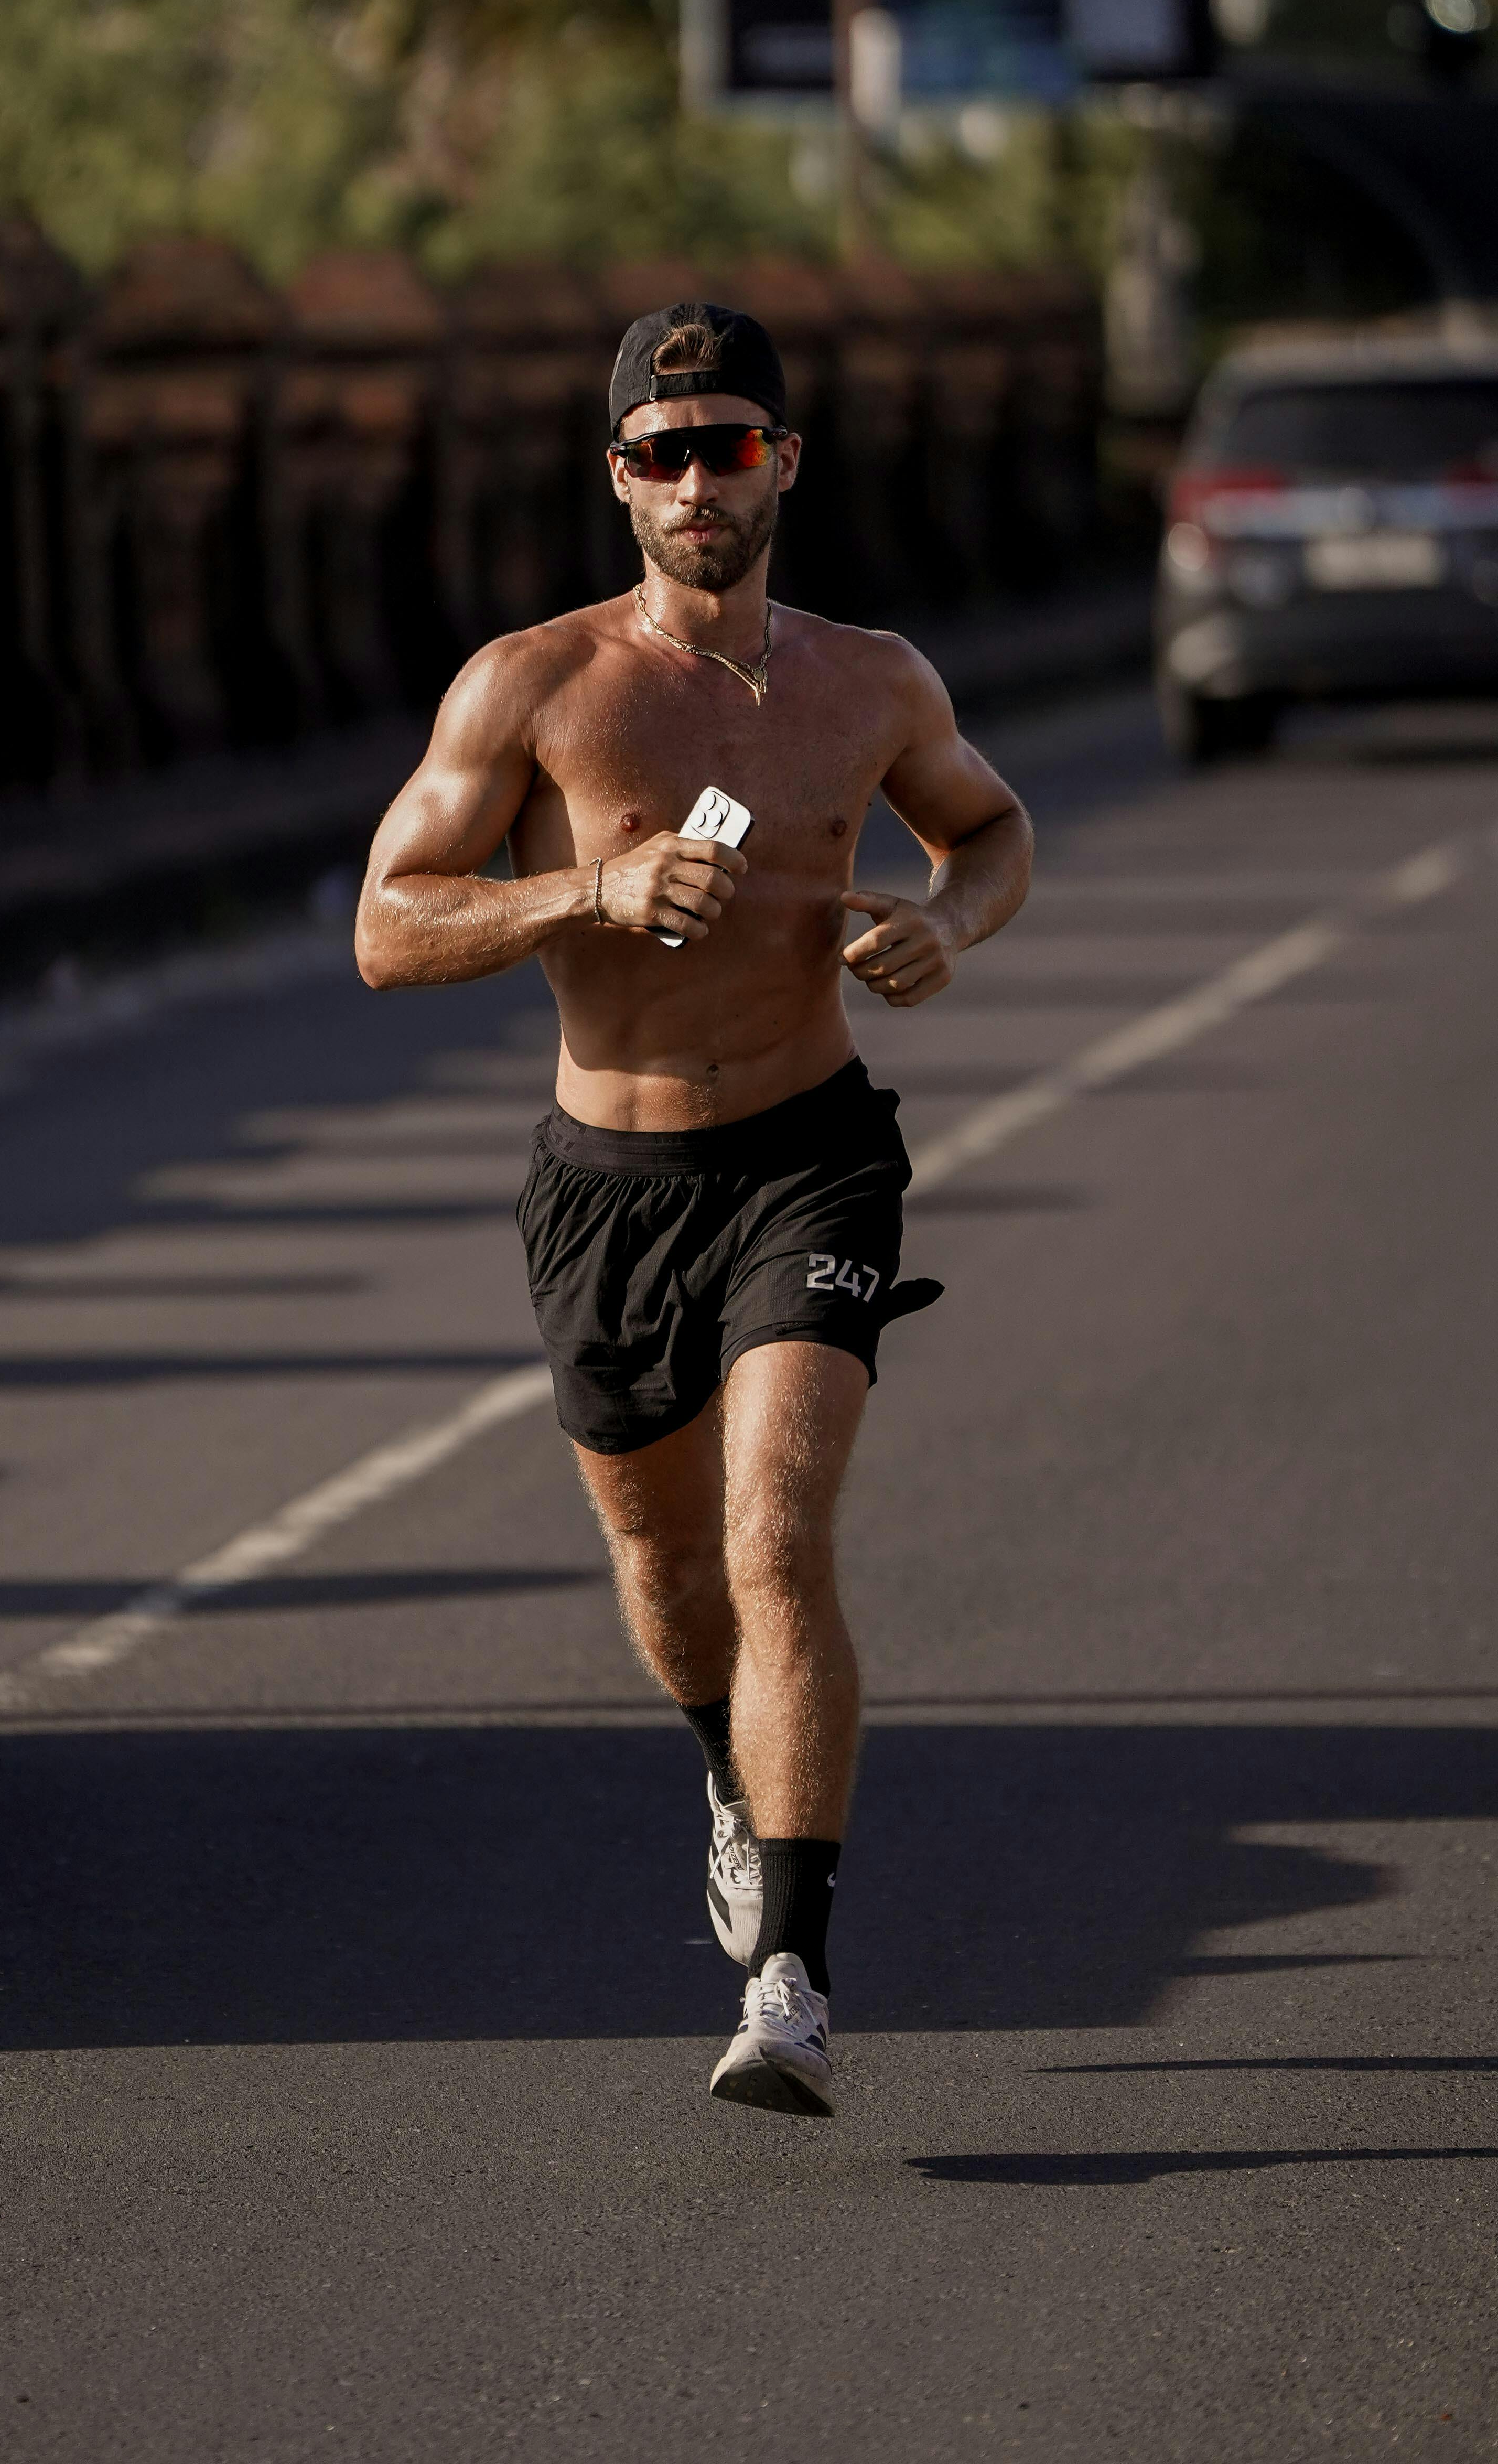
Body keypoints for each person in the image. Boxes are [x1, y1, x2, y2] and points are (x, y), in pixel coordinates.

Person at [354, 300, 1032, 2119]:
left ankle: (795, 1974)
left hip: (811, 1154)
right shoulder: (535, 686)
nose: (694, 482)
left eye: (727, 445)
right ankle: (727, 1787)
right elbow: (386, 925)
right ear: (619, 483)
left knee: (774, 1534)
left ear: (783, 463)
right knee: (665, 1575)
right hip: (610, 1188)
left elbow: (990, 829)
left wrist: (942, 928)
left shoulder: (871, 680)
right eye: (659, 455)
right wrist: (583, 892)